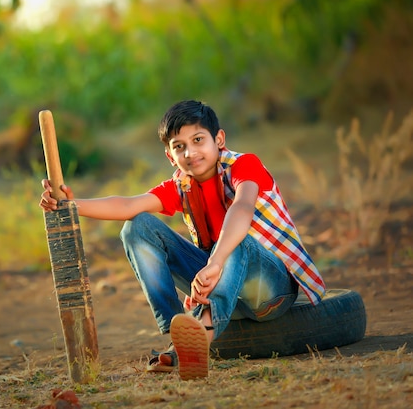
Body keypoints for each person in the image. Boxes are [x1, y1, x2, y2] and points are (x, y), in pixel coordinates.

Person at [39, 100, 326, 380]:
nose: (190, 153)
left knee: (240, 240)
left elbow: (242, 208)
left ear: (219, 139)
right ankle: (179, 329)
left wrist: (215, 263)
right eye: (179, 146)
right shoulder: (182, 185)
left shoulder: (243, 165)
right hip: (222, 289)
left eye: (199, 140)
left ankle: (201, 334)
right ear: (169, 155)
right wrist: (69, 205)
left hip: (269, 289)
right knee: (137, 226)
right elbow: (127, 205)